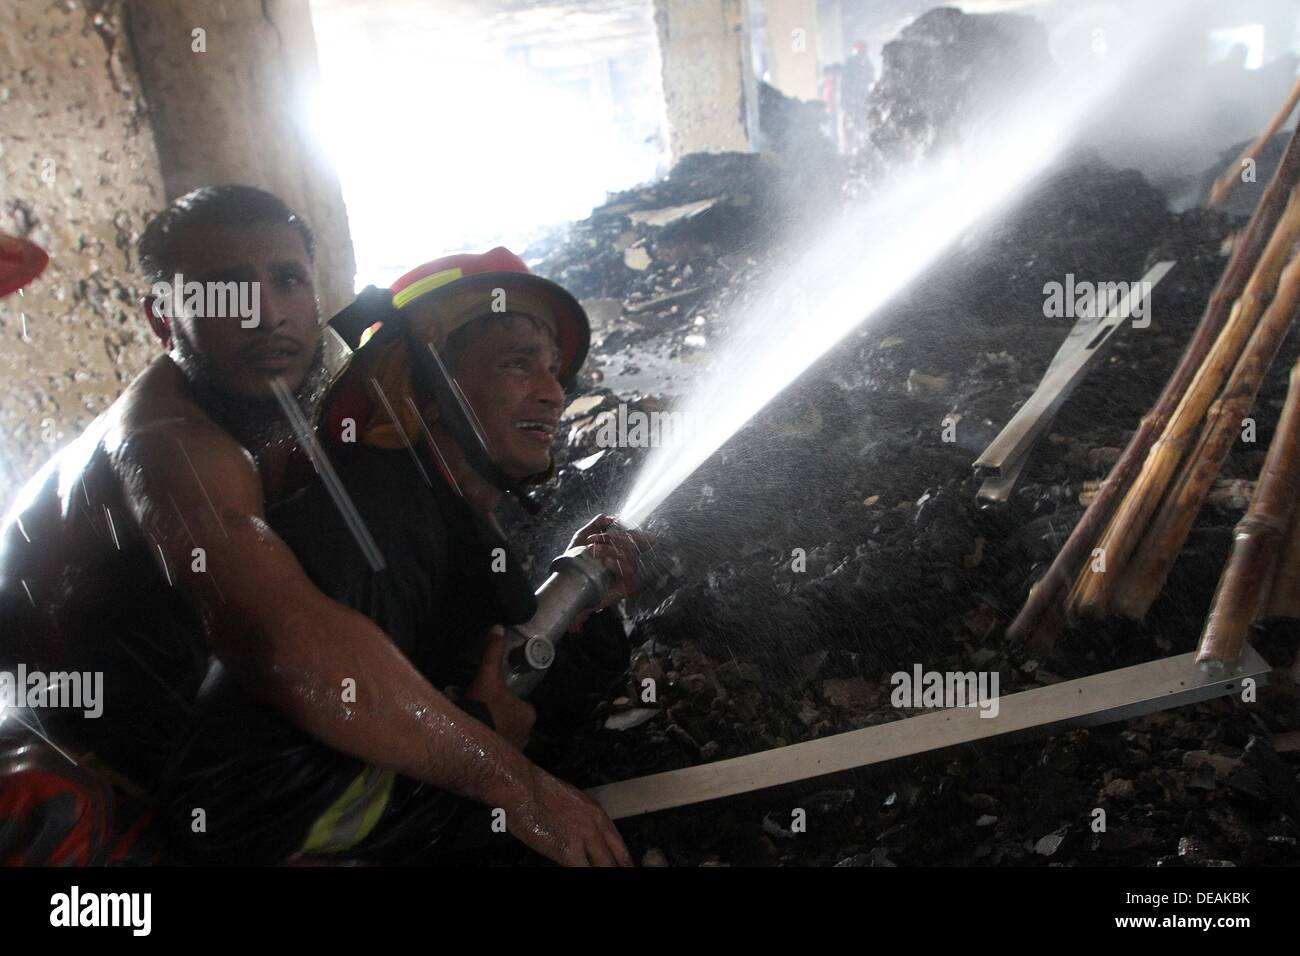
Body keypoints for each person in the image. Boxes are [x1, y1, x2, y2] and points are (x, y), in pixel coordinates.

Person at [0, 187, 633, 866]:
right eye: (226, 291)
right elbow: (286, 641)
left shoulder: (293, 388)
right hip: (76, 789)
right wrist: (516, 785)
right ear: (163, 318)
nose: (267, 314)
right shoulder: (167, 445)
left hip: (189, 747)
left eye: (288, 280)